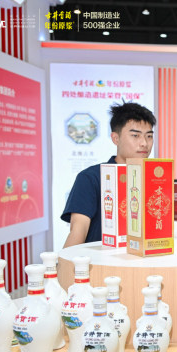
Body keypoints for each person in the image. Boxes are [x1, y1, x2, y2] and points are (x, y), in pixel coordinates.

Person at [61, 102, 156, 247]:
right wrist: (64, 262)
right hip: (101, 259)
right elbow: (78, 232)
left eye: (149, 136)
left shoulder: (155, 180)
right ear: (115, 138)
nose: (144, 143)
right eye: (135, 135)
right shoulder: (91, 178)